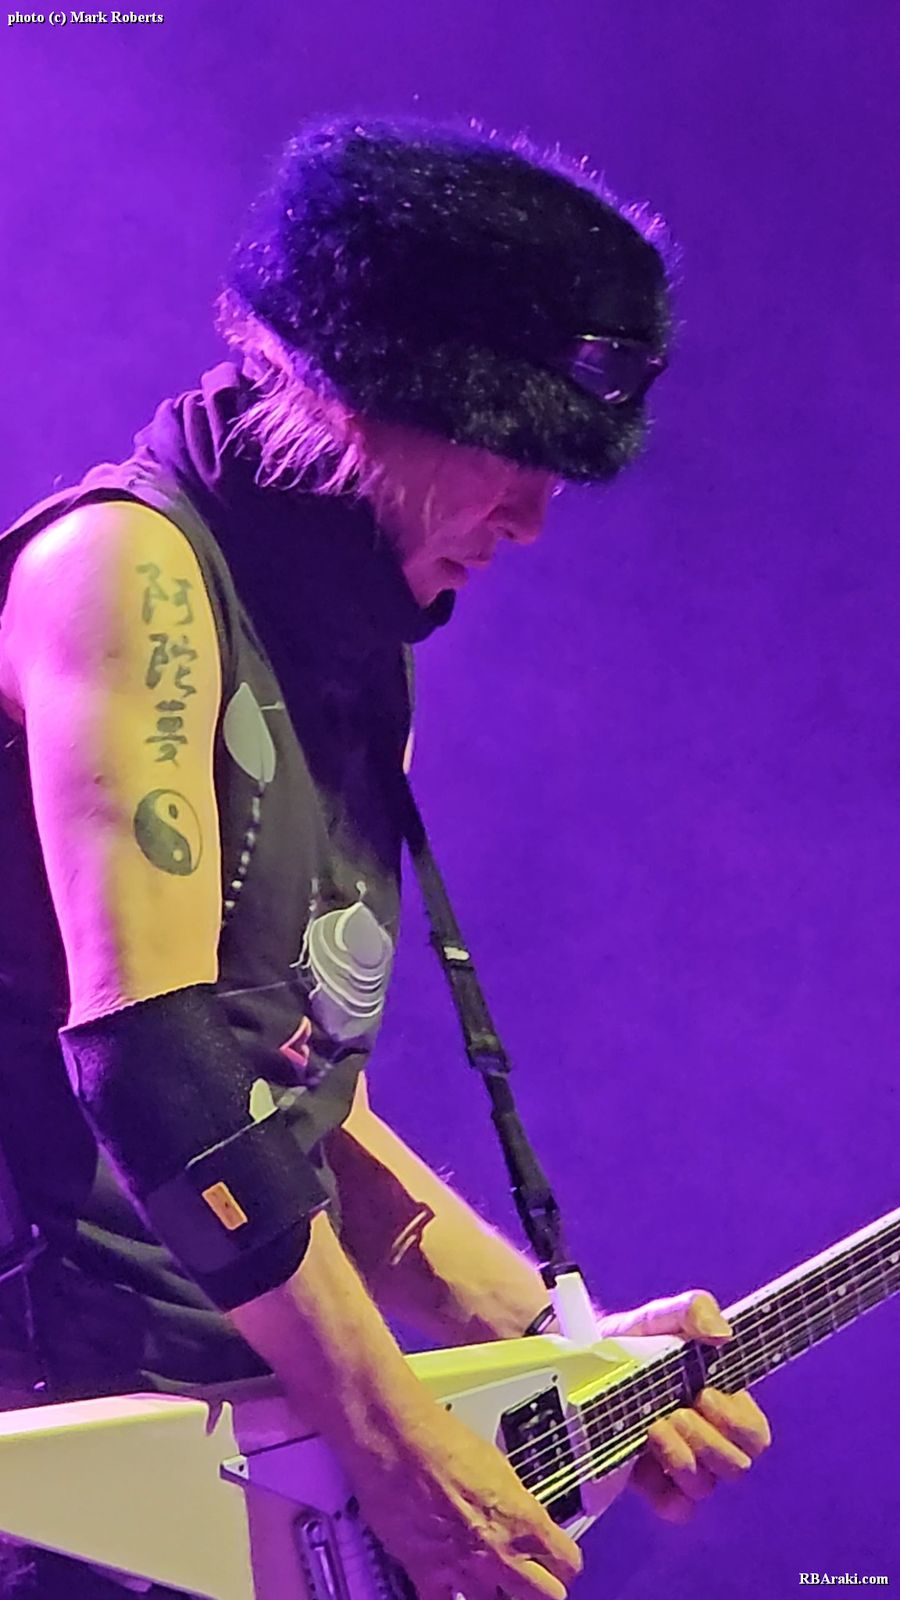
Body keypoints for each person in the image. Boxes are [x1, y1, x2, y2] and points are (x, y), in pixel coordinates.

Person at [0, 117, 770, 1598]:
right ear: (368, 399)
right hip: (65, 1494)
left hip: (221, 1458)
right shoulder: (126, 574)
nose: (532, 519)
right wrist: (398, 1443)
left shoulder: (356, 659)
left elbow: (287, 1106)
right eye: (511, 458)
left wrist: (555, 1347)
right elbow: (154, 1062)